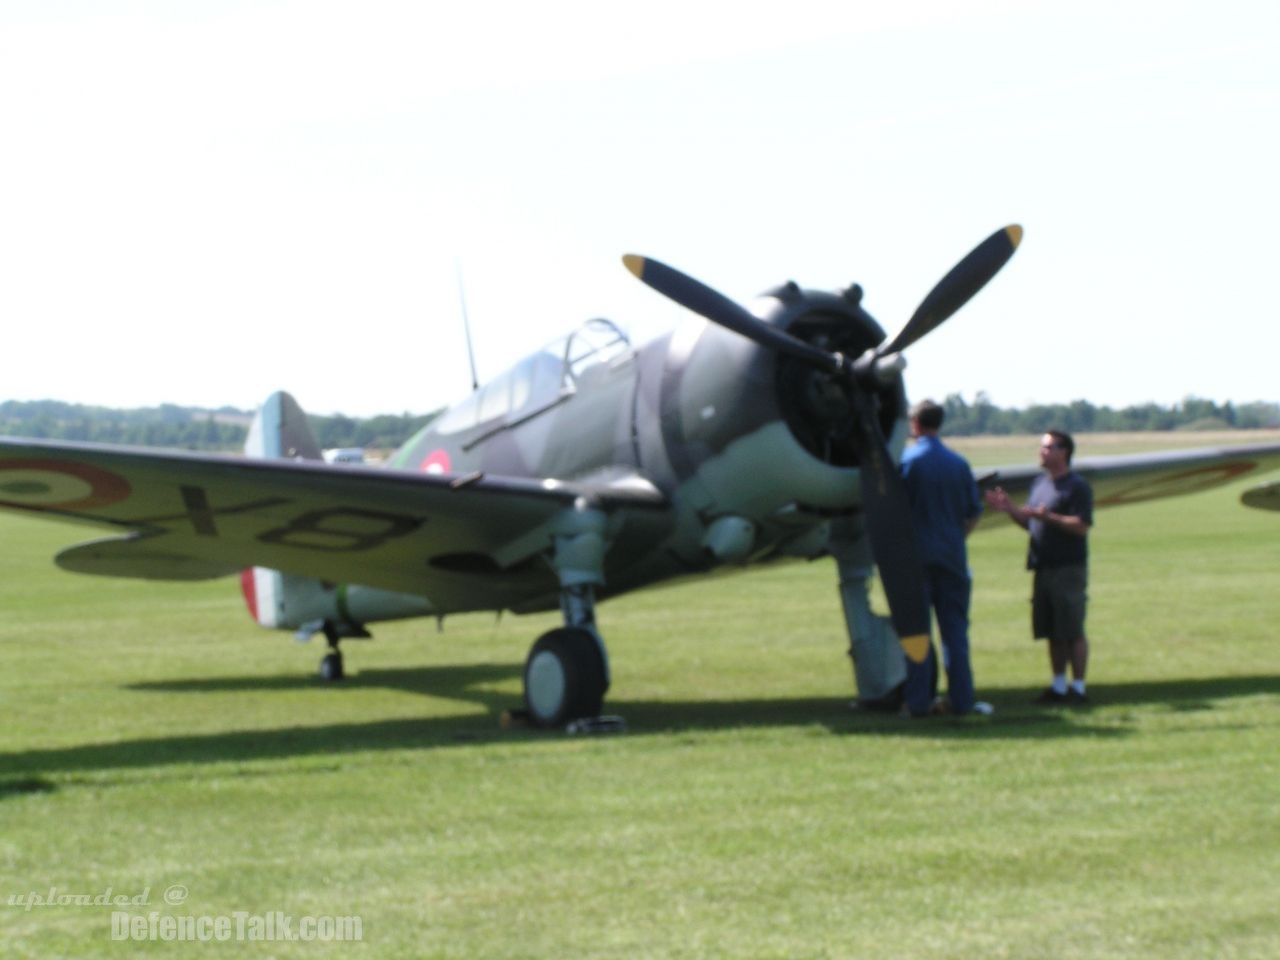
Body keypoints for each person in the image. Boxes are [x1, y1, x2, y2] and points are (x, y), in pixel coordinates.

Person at [985, 430, 1093, 705]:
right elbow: (1031, 525)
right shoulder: (1039, 484)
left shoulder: (1077, 486)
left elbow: (1081, 526)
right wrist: (1010, 509)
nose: (1042, 451)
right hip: (1042, 566)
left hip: (1068, 568)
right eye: (1042, 447)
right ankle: (1058, 686)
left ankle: (1078, 688)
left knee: (1072, 629)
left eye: (1048, 447)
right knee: (1052, 630)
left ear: (1063, 452)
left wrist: (1049, 517)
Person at [899, 399, 991, 717]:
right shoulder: (959, 463)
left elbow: (893, 513)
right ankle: (962, 700)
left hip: (916, 560)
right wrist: (954, 538)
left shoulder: (907, 462)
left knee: (916, 632)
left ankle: (918, 701)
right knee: (955, 632)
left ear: (915, 424)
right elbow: (973, 514)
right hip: (952, 556)